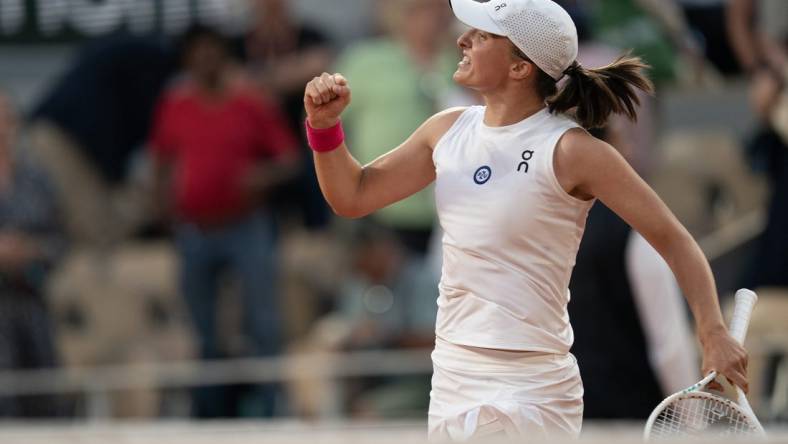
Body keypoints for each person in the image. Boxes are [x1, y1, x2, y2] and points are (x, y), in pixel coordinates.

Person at [303, 0, 750, 440]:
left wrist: (712, 332)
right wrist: (324, 128)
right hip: (453, 377)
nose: (462, 39)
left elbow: (673, 239)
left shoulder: (574, 151)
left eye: (481, 36)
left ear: (520, 68)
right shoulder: (447, 129)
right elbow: (353, 195)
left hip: (530, 389)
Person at [150, 24, 299, 418]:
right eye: (197, 53)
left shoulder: (250, 104)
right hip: (194, 229)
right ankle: (210, 416)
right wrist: (162, 208)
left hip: (246, 225)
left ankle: (272, 412)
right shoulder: (176, 105)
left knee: (263, 323)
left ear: (224, 56)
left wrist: (261, 176)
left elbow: (289, 158)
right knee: (201, 331)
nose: (205, 60)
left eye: (213, 52)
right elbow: (161, 161)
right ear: (187, 60)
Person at [27, 34, 177, 248]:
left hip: (68, 135)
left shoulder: (144, 55)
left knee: (102, 228)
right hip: (63, 137)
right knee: (98, 233)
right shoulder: (157, 62)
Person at [0, 92, 67, 417]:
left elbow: (60, 240)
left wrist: (31, 251)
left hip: (31, 299)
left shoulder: (37, 179)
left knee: (43, 398)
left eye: (4, 118)